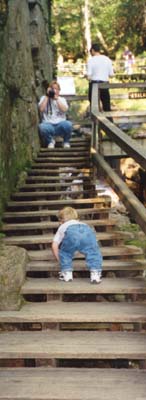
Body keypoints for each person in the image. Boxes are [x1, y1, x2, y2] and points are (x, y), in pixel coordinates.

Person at [52, 206, 102, 283]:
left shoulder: (63, 226)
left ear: (61, 221)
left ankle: (67, 273)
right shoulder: (84, 224)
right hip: (87, 232)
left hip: (71, 234)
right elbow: (92, 240)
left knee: (65, 253)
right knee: (93, 252)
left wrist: (60, 259)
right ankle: (95, 274)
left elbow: (54, 245)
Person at [38, 80, 72, 149]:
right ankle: (50, 141)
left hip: (60, 124)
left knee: (68, 125)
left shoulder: (62, 99)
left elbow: (64, 109)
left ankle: (66, 142)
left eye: (57, 89)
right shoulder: (44, 98)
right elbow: (41, 109)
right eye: (53, 88)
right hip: (48, 124)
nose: (55, 91)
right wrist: (47, 96)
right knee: (42, 127)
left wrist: (56, 99)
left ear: (59, 91)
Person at [86, 43, 114, 112]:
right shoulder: (107, 59)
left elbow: (89, 76)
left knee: (94, 105)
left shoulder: (91, 61)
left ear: (93, 50)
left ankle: (96, 121)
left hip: (94, 84)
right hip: (104, 84)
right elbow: (111, 74)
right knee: (106, 105)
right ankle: (108, 120)